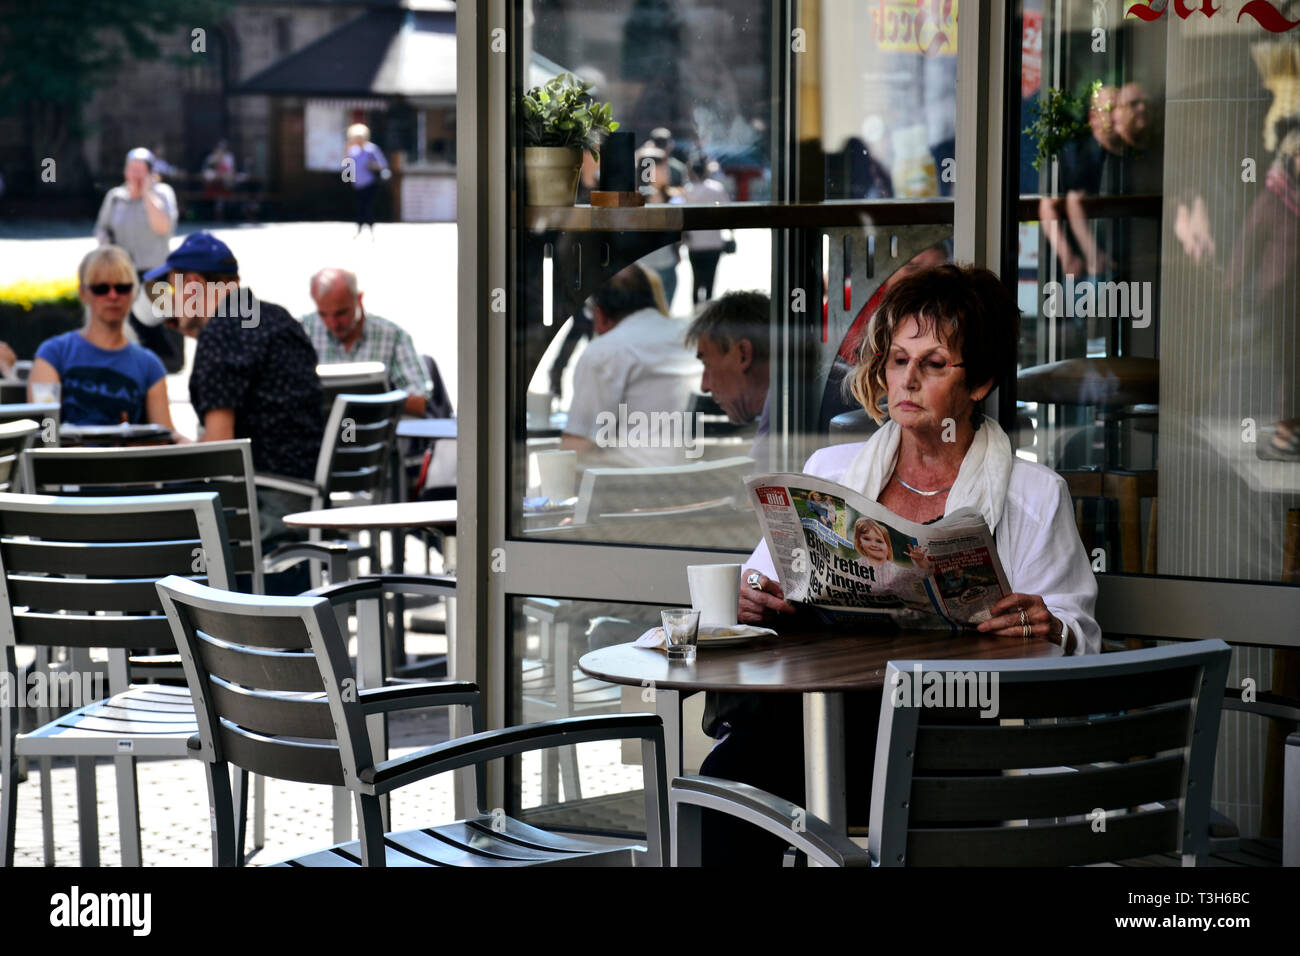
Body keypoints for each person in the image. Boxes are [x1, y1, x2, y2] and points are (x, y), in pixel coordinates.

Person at [703, 264, 1101, 865]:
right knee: (727, 782)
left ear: (980, 382)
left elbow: (1078, 629)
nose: (908, 380)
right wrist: (752, 594)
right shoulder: (832, 473)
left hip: (960, 731)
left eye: (934, 364)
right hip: (828, 721)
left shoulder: (1033, 494)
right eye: (896, 360)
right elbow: (764, 577)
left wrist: (1047, 624)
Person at [138, 232, 324, 593]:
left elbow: (219, 457)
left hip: (262, 506)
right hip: (304, 495)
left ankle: (146, 639)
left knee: (133, 522)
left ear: (192, 284)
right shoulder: (277, 318)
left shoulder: (221, 333)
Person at [560, 264, 702, 466]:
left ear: (599, 315)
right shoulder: (692, 338)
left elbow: (576, 448)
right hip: (697, 481)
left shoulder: (605, 351)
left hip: (628, 486)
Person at [30, 246, 182, 434]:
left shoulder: (149, 366)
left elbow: (165, 437)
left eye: (122, 288)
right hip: (66, 461)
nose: (113, 296)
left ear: (133, 292)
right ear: (83, 293)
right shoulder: (54, 353)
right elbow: (46, 432)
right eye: (101, 288)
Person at [93, 147, 183, 372]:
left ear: (151, 173)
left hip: (156, 269)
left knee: (154, 321)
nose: (135, 175)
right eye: (131, 169)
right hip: (125, 270)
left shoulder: (163, 194)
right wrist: (107, 248)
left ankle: (165, 363)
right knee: (128, 320)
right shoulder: (115, 197)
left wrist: (145, 193)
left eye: (140, 170)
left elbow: (163, 227)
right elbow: (102, 228)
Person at [301, 268, 430, 416]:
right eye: (323, 314)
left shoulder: (392, 336)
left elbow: (420, 401)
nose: (333, 323)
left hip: (375, 433)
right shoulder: (303, 331)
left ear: (359, 299)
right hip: (321, 434)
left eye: (341, 313)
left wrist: (375, 399)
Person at [685, 290, 771, 463]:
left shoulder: (783, 418)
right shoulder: (785, 411)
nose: (704, 386)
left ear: (743, 354)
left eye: (707, 364)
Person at [681, 154, 732, 304]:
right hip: (714, 242)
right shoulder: (716, 188)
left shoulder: (688, 190)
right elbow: (727, 212)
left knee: (696, 278)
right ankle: (708, 309)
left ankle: (696, 308)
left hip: (695, 243)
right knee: (710, 279)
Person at [345, 124, 389, 238]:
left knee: (367, 206)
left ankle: (371, 229)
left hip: (369, 183)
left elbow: (382, 164)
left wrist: (371, 165)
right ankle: (359, 228)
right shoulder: (352, 150)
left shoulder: (371, 149)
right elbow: (346, 166)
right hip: (357, 183)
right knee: (359, 206)